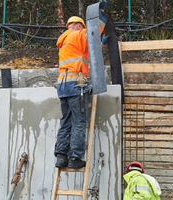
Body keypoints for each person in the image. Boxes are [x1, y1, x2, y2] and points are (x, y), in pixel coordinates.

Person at [54, 0, 108, 169]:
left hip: (62, 86)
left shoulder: (64, 41)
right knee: (79, 121)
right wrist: (100, 13)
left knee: (67, 121)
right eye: (81, 27)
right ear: (78, 26)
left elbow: (89, 47)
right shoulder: (78, 34)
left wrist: (101, 44)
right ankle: (75, 158)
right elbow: (93, 31)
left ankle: (61, 157)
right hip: (76, 85)